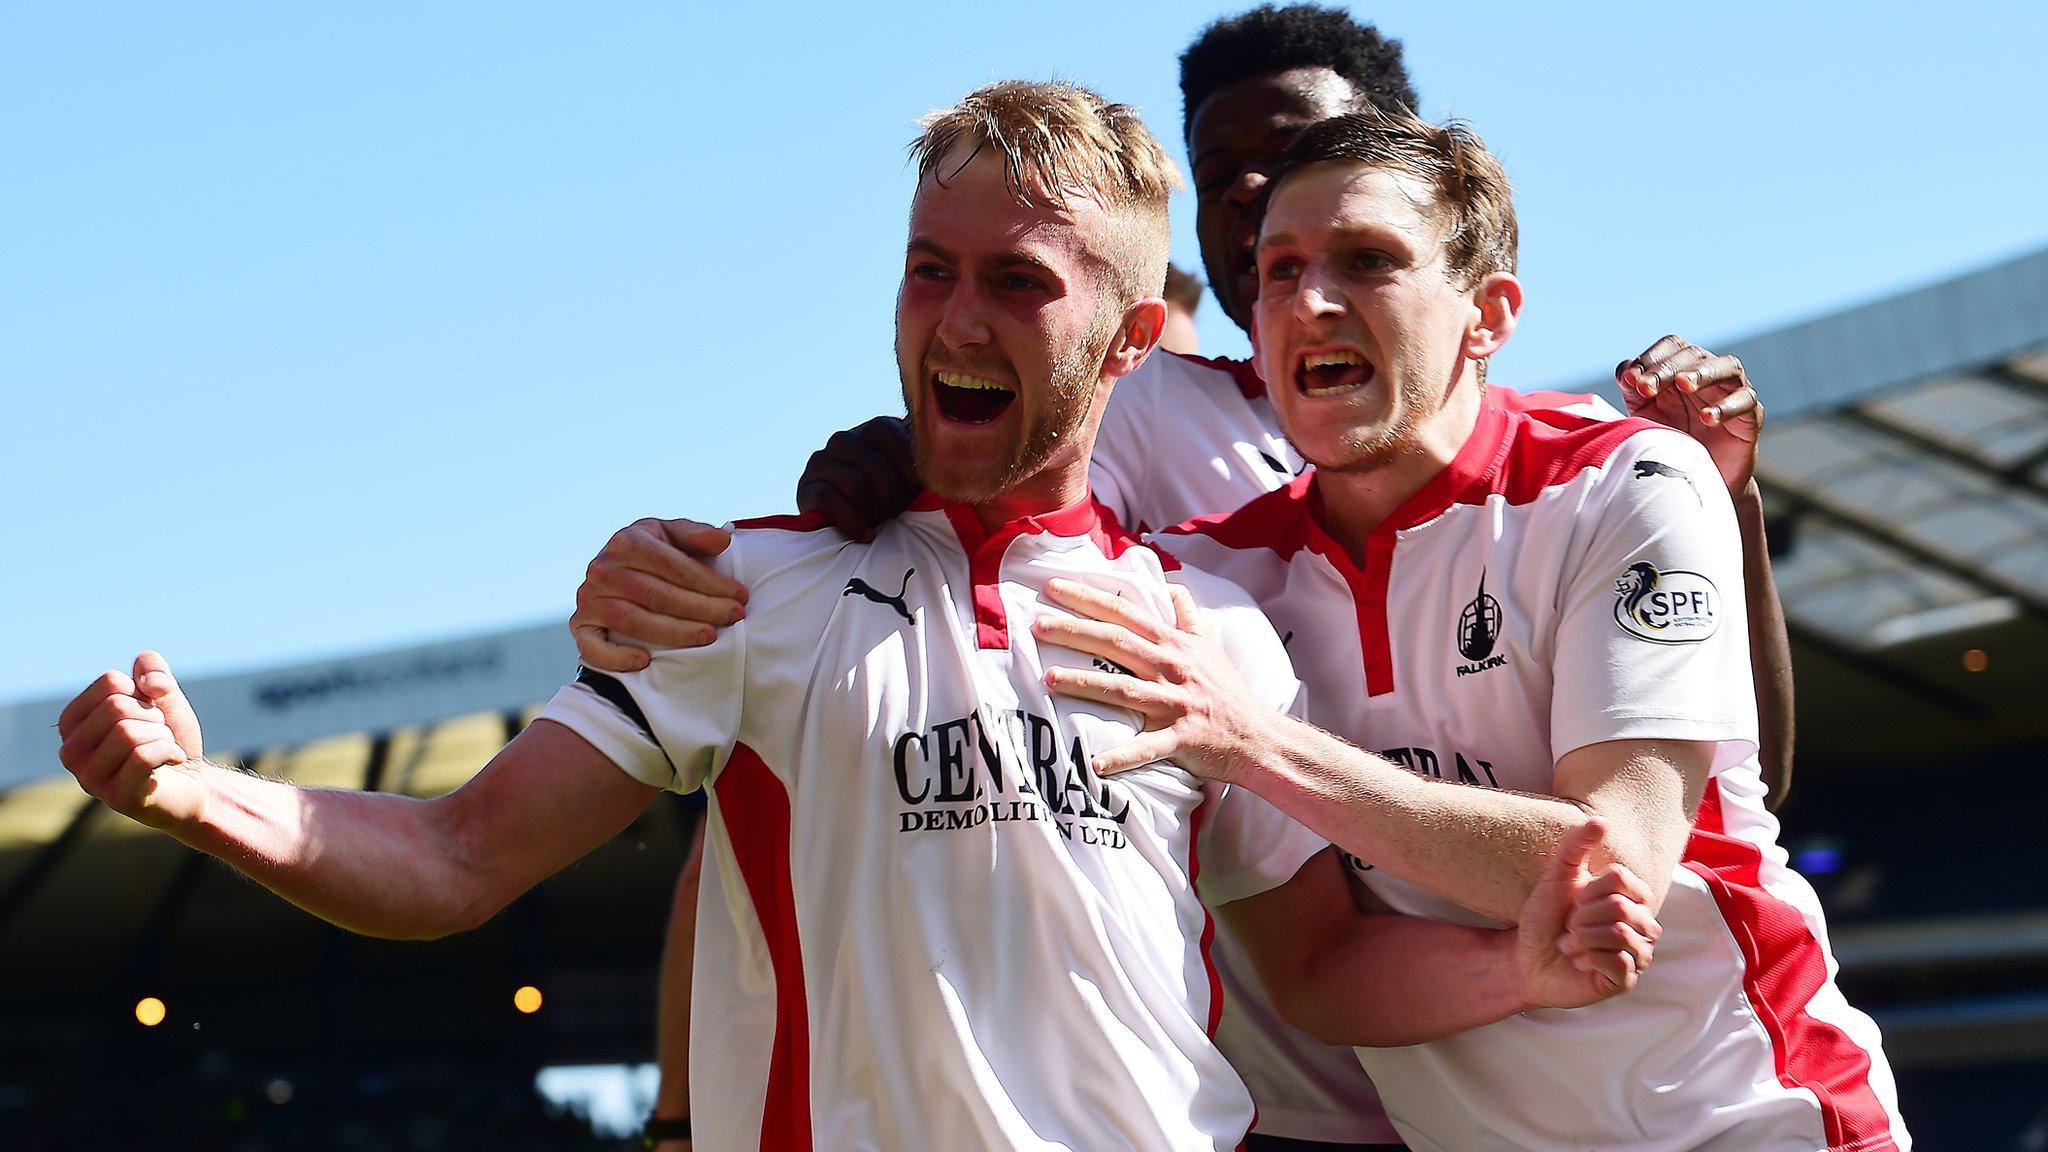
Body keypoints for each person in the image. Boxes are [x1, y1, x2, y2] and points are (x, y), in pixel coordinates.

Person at [55, 83, 1657, 1152]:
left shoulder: (1221, 629)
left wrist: (1541, 969)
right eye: (925, 272)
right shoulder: (750, 588)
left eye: (1019, 284)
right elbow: (454, 861)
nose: (955, 319)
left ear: (1132, 338)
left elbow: (1316, 972)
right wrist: (202, 799)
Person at [578, 9, 1794, 1151]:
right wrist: (815, 501)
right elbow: (913, 562)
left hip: (1711, 1108)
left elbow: (1719, 804)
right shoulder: (1164, 450)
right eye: (1230, 186)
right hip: (1296, 1097)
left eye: (1306, 165)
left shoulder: (1594, 474)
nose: (1262, 201)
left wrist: (1724, 507)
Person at [1033, 108, 1908, 1151]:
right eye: (1278, 270)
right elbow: (1316, 971)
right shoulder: (1215, 584)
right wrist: (1512, 971)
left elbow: (1604, 865)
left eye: (1366, 261)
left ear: (1487, 316)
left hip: (1751, 1123)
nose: (1309, 302)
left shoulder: (1620, 481)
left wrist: (1256, 747)